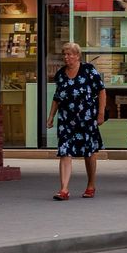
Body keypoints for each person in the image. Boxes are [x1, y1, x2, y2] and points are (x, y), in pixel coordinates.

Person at [46, 42, 105, 200]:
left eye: (69, 54)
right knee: (65, 151)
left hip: (86, 118)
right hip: (66, 119)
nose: (66, 57)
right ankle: (64, 189)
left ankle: (91, 184)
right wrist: (51, 116)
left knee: (89, 152)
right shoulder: (60, 74)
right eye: (64, 54)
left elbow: (101, 90)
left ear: (77, 55)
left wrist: (100, 113)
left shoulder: (88, 70)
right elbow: (57, 97)